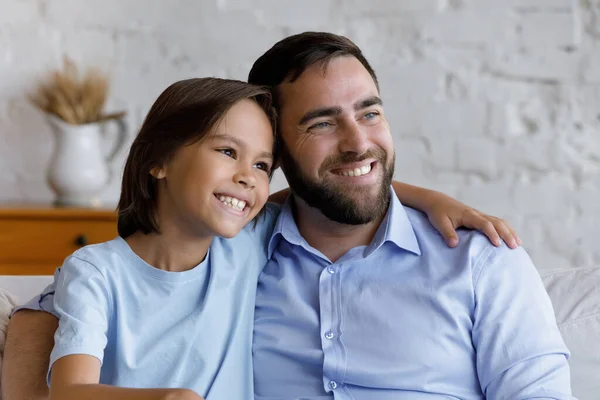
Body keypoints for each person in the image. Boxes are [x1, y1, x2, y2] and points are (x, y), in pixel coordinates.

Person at [1, 41, 521, 400]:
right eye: (227, 151)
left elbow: (336, 179)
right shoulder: (103, 270)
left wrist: (428, 199)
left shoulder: (244, 243)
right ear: (157, 160)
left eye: (261, 166)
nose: (249, 179)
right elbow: (69, 388)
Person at [248, 32, 574, 399]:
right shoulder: (238, 260)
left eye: (369, 113)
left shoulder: (480, 261)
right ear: (273, 148)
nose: (357, 143)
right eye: (322, 124)